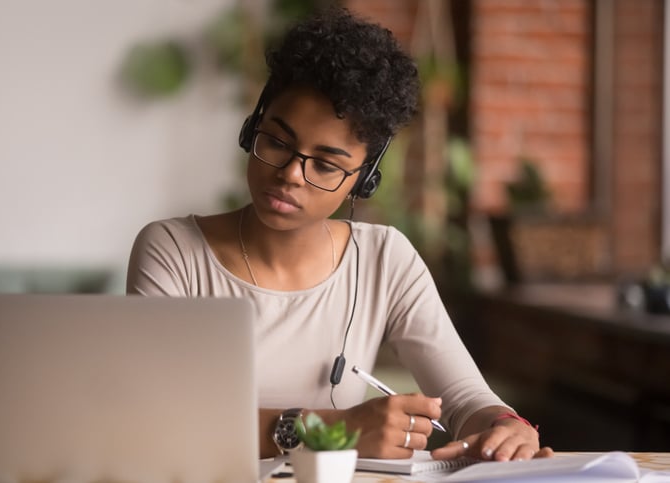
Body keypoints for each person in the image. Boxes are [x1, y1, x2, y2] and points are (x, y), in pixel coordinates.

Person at [127, 8, 553, 462]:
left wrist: (506, 428)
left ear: (363, 180)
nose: (291, 174)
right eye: (276, 142)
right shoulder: (173, 251)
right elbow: (157, 418)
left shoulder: (385, 259)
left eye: (326, 165)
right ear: (252, 128)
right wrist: (333, 428)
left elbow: (466, 398)